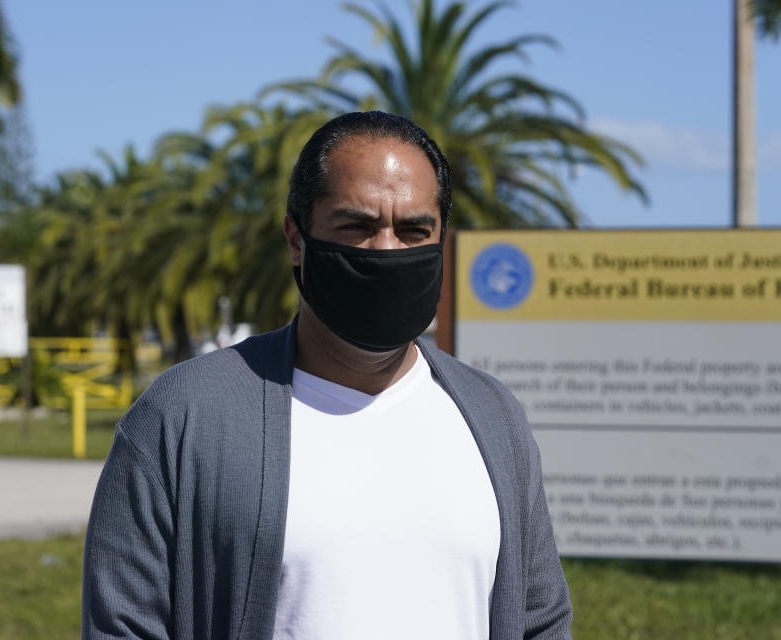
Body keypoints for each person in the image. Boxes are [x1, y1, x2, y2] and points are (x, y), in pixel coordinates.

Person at [82, 111, 572, 640]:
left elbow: (540, 620)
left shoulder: (492, 416)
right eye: (357, 226)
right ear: (297, 238)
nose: (386, 250)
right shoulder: (185, 416)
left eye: (413, 230)